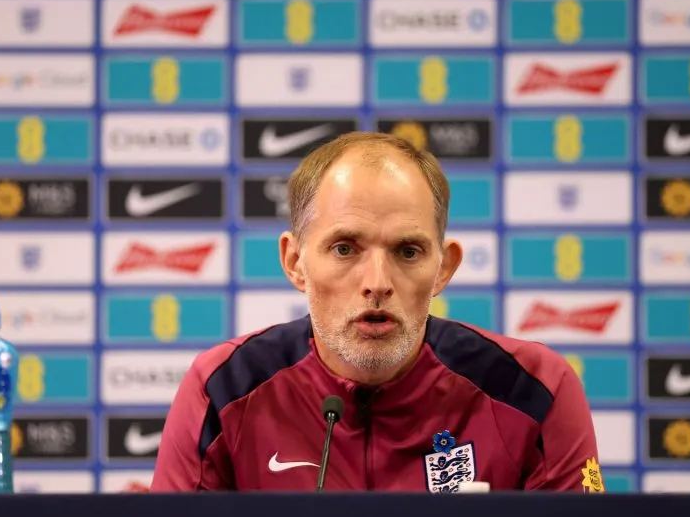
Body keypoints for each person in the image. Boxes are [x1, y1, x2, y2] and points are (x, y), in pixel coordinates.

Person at [151, 131, 604, 493]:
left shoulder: (534, 390)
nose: (378, 282)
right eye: (345, 248)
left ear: (444, 268)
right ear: (295, 262)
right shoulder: (224, 389)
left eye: (408, 251)